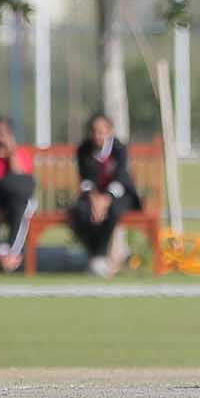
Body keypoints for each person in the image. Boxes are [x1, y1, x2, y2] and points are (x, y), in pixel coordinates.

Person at [70, 112, 139, 278]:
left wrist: (106, 199)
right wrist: (94, 199)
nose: (97, 135)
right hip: (93, 196)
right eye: (94, 131)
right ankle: (95, 257)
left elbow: (120, 179)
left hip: (120, 195)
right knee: (81, 211)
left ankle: (99, 256)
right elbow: (86, 180)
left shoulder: (119, 149)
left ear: (110, 132)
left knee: (113, 211)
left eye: (101, 131)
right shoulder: (84, 149)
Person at [0, 115, 36, 273]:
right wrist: (1, 180)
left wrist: (10, 153)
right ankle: (1, 249)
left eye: (4, 133)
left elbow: (21, 179)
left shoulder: (19, 153)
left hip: (14, 201)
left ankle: (12, 253)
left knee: (22, 206)